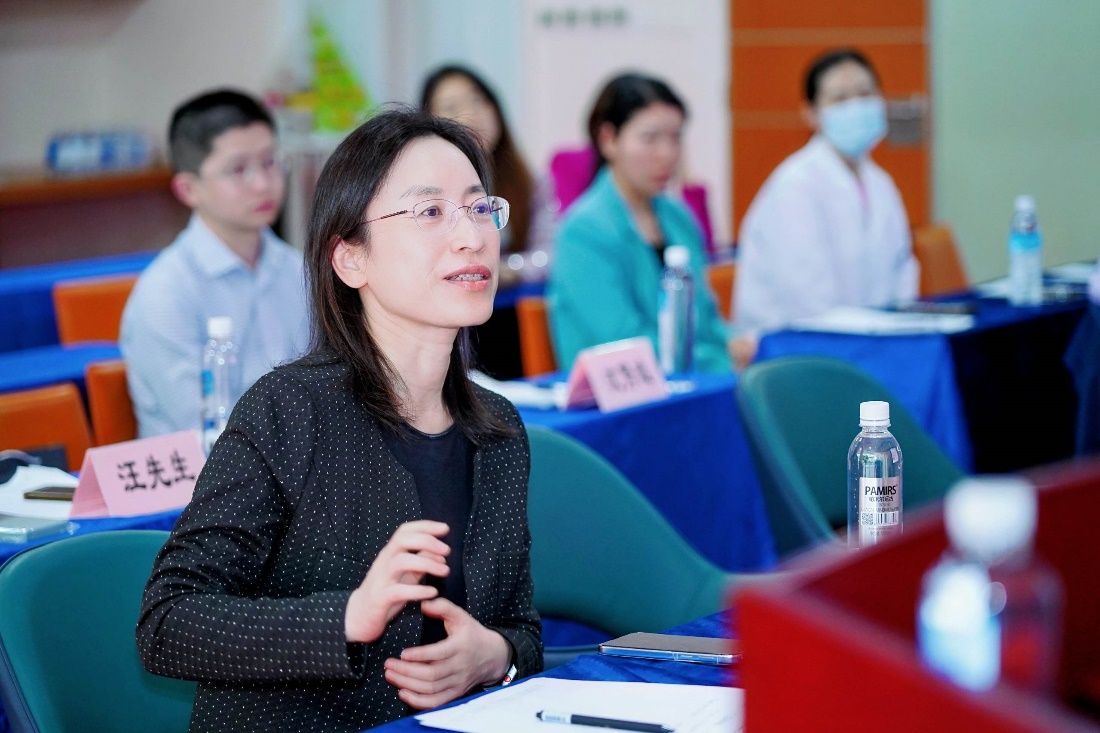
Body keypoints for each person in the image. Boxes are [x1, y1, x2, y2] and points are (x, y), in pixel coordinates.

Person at [135, 108, 542, 732]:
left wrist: (497, 656)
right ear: (350, 259)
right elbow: (168, 622)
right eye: (430, 211)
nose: (471, 236)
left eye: (480, 207)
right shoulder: (288, 410)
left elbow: (521, 626)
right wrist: (348, 616)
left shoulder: (498, 430)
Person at [120, 89, 309, 438]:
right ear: (188, 189)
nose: (263, 184)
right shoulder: (166, 294)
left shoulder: (297, 269)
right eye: (238, 169)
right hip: (213, 469)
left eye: (270, 161)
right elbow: (206, 431)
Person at [733, 48, 919, 356]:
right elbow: (808, 298)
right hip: (799, 350)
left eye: (865, 94)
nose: (856, 106)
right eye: (840, 99)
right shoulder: (795, 186)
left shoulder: (880, 183)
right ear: (811, 114)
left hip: (871, 341)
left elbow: (902, 268)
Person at [547, 72, 732, 373]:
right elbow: (622, 343)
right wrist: (720, 361)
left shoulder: (678, 217)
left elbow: (707, 320)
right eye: (650, 139)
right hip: (620, 392)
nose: (667, 154)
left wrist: (740, 344)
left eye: (675, 138)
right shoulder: (582, 231)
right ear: (609, 140)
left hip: (694, 379)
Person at [420, 64, 556, 286]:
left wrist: (509, 270)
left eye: (478, 100)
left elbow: (551, 254)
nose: (470, 114)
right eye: (451, 107)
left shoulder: (530, 183)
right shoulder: (425, 192)